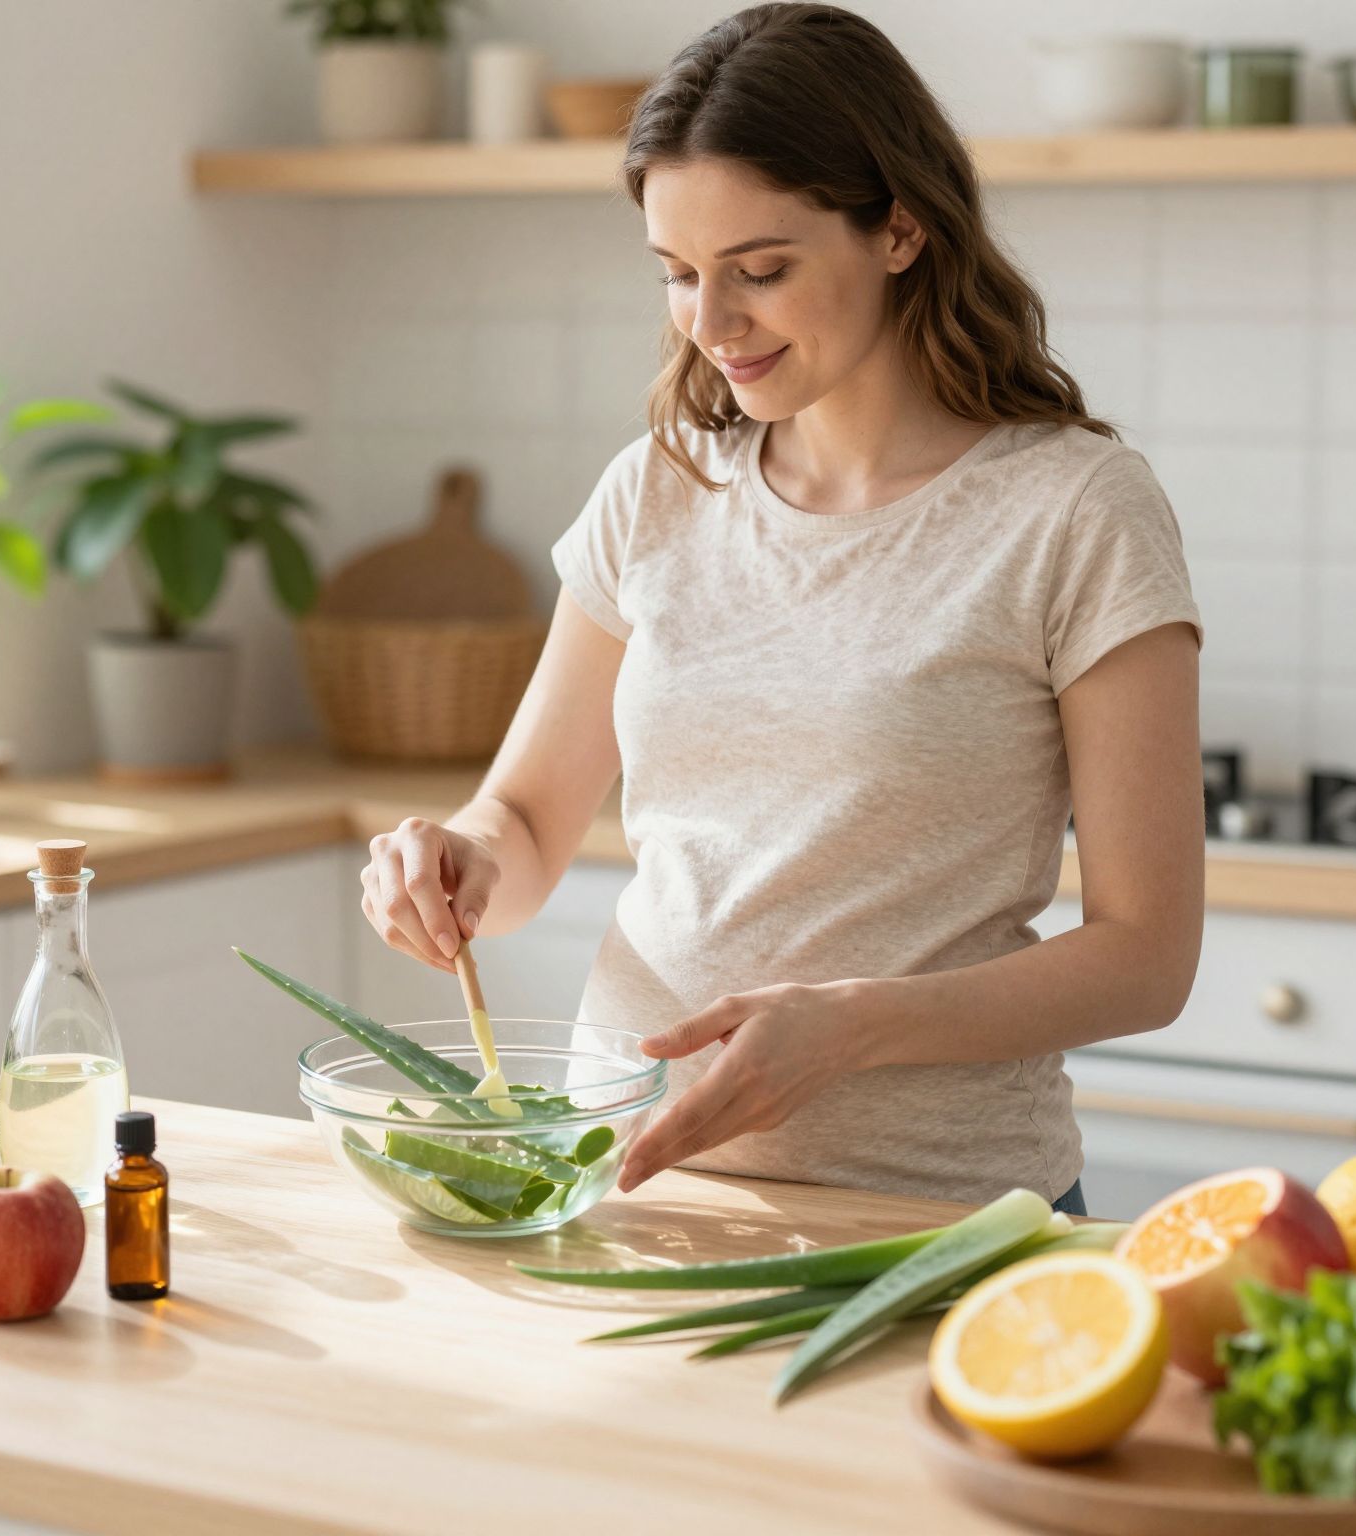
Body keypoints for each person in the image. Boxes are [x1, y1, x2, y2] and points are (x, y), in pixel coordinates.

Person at [360, 3, 1204, 1215]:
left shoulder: (1072, 509)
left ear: (900, 228)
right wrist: (455, 862)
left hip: (927, 1220)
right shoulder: (658, 487)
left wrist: (849, 1029)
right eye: (679, 276)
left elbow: (1145, 957)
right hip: (632, 1190)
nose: (711, 324)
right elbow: (530, 828)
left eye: (758, 271)